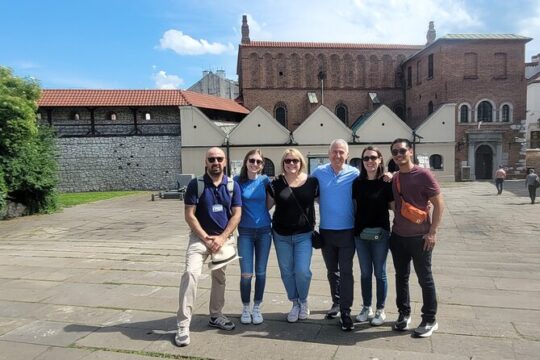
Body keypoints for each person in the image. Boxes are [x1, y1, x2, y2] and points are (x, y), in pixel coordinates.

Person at [175, 147, 242, 347]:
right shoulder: (196, 185)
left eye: (219, 158)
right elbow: (189, 214)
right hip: (199, 239)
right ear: (206, 162)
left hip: (223, 239)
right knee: (190, 274)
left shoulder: (232, 185)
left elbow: (237, 214)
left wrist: (222, 238)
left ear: (225, 161)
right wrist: (205, 237)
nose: (215, 162)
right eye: (211, 159)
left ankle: (216, 315)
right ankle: (183, 324)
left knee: (219, 278)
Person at [389, 138, 444, 338]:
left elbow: (439, 204)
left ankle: (430, 319)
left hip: (421, 237)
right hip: (398, 236)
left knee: (425, 278)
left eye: (402, 151)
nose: (398, 154)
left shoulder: (423, 175)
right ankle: (404, 314)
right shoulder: (395, 178)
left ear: (410, 151)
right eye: (395, 152)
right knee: (401, 277)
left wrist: (433, 232)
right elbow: (394, 204)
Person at [267, 148, 319, 323]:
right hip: (281, 235)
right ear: (283, 163)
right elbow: (265, 206)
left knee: (303, 271)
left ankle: (303, 300)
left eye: (295, 160)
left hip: (303, 234)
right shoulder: (275, 183)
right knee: (287, 272)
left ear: (301, 162)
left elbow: (325, 201)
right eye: (287, 161)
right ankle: (295, 302)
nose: (291, 164)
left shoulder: (312, 182)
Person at [312, 139, 359, 331]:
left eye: (341, 152)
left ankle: (346, 312)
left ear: (347, 155)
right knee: (332, 271)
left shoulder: (355, 174)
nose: (337, 155)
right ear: (328, 153)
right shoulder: (319, 173)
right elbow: (308, 194)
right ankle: (336, 302)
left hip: (348, 231)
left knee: (346, 272)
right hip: (327, 232)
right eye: (334, 152)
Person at [352, 146, 394, 327]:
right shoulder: (357, 183)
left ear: (380, 160)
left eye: (373, 157)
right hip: (361, 234)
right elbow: (354, 207)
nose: (369, 161)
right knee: (365, 273)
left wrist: (393, 175)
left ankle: (380, 309)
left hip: (380, 234)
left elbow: (393, 207)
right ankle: (366, 307)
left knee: (380, 273)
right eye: (366, 158)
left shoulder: (386, 182)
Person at [233, 149, 272, 324]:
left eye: (258, 161)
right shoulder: (236, 181)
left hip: (264, 231)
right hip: (245, 233)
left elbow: (271, 201)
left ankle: (257, 307)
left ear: (262, 165)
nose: (254, 164)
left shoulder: (265, 181)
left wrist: (263, 213)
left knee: (261, 273)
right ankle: (246, 307)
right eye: (252, 161)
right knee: (246, 273)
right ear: (246, 162)